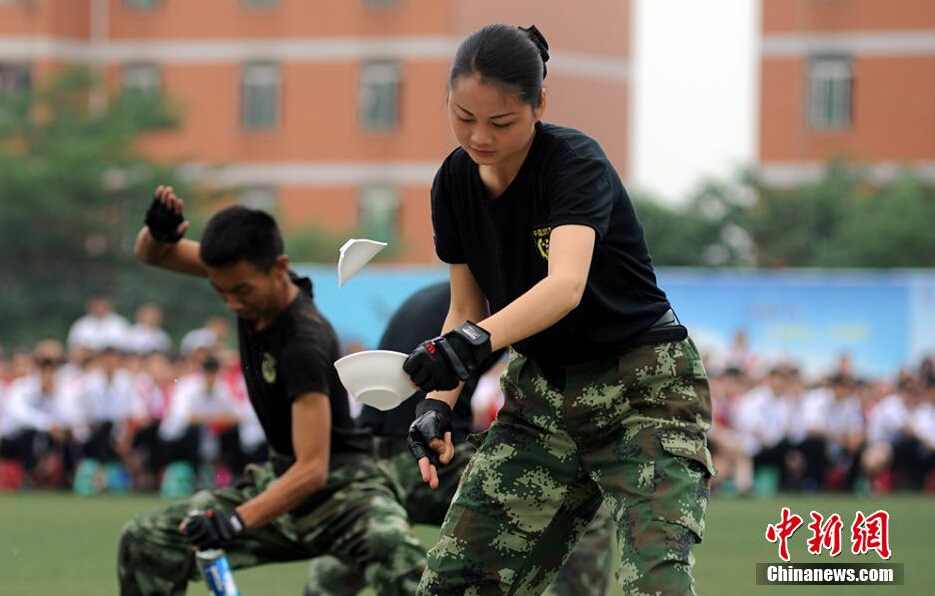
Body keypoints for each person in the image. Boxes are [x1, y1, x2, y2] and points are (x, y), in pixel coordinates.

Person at [399, 24, 715, 595]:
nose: (479, 137)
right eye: (463, 116)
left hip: (643, 389)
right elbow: (464, 308)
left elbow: (564, 285)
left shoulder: (573, 162)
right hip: (542, 396)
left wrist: (469, 344)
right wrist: (437, 405)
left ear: (539, 104)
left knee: (657, 584)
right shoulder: (452, 182)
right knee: (452, 585)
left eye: (500, 122)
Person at [118, 188, 424, 595]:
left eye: (240, 291)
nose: (231, 303)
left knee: (399, 556)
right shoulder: (247, 279)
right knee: (145, 538)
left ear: (279, 267)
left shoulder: (304, 343)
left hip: (343, 492)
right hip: (278, 481)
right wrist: (156, 232)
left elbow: (313, 468)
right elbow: (153, 255)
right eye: (219, 289)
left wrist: (235, 521)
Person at [304, 282, 616, 596]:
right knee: (579, 508)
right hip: (430, 456)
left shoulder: (431, 297)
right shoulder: (500, 303)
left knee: (359, 543)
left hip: (372, 458)